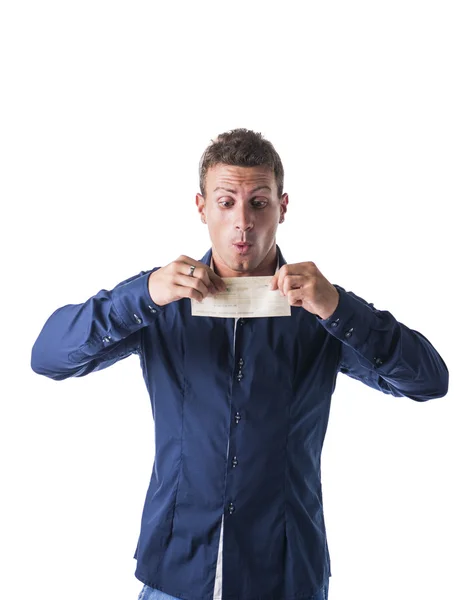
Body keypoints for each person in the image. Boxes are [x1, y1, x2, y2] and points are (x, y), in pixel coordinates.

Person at [31, 128, 449, 600]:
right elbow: (48, 357)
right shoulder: (160, 303)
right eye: (226, 202)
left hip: (287, 575)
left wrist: (338, 309)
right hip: (177, 572)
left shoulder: (321, 312)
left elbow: (430, 380)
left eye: (259, 203)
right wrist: (143, 294)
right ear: (201, 207)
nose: (243, 223)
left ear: (283, 207)